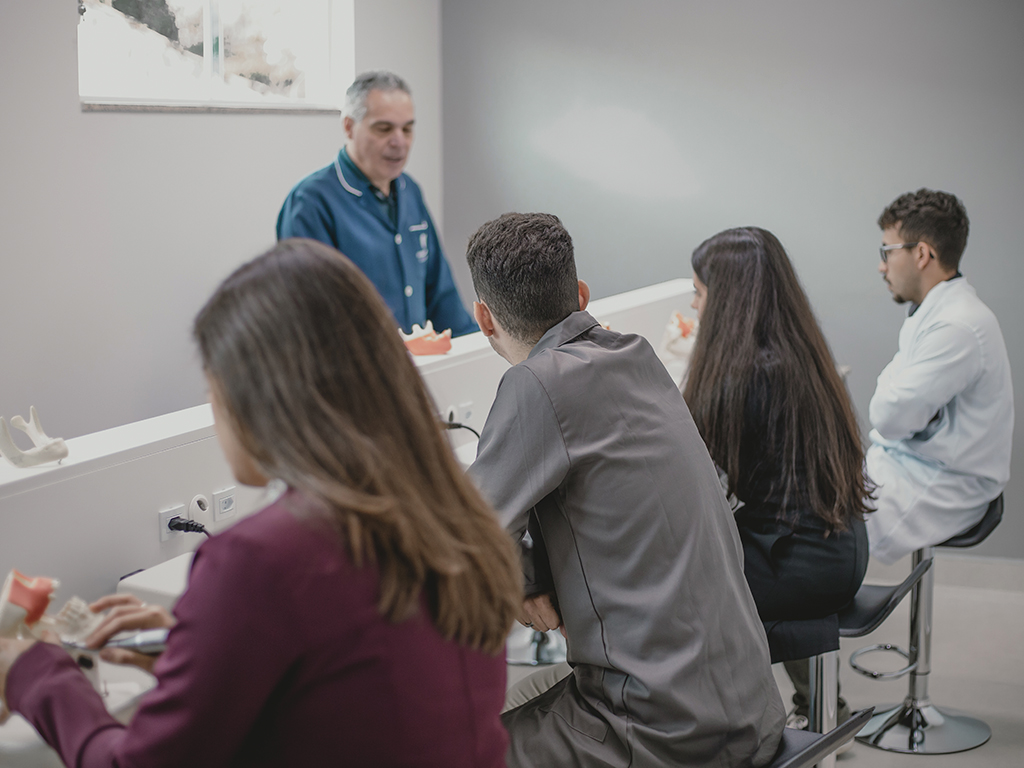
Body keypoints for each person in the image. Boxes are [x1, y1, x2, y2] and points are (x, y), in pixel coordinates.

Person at [0, 238, 521, 767]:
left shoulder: (260, 560)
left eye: (213, 388)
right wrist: (199, 653)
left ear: (260, 396)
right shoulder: (456, 517)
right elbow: (357, 697)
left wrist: (37, 673)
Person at [466, 212, 785, 767]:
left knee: (446, 747)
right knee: (528, 694)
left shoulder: (535, 383)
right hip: (750, 709)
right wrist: (527, 576)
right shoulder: (637, 355)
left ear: (484, 318)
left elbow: (463, 534)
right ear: (582, 296)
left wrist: (519, 578)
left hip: (660, 734)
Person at [682, 227, 873, 726]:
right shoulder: (797, 354)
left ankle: (727, 727)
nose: (695, 307)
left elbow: (693, 477)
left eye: (699, 294)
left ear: (728, 301)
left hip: (805, 565)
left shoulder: (744, 376)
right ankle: (820, 708)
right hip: (842, 548)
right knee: (741, 544)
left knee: (681, 584)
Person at [866, 189, 1013, 564]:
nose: (881, 266)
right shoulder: (934, 312)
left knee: (820, 533)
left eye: (887, 251)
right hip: (911, 462)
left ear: (921, 253)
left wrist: (891, 381)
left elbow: (887, 417)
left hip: (943, 481)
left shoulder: (958, 325)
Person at [277, 71, 477, 337]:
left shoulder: (409, 191)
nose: (399, 142)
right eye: (384, 129)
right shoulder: (310, 202)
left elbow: (441, 295)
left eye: (407, 129)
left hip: (416, 360)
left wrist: (477, 347)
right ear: (349, 127)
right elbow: (313, 315)